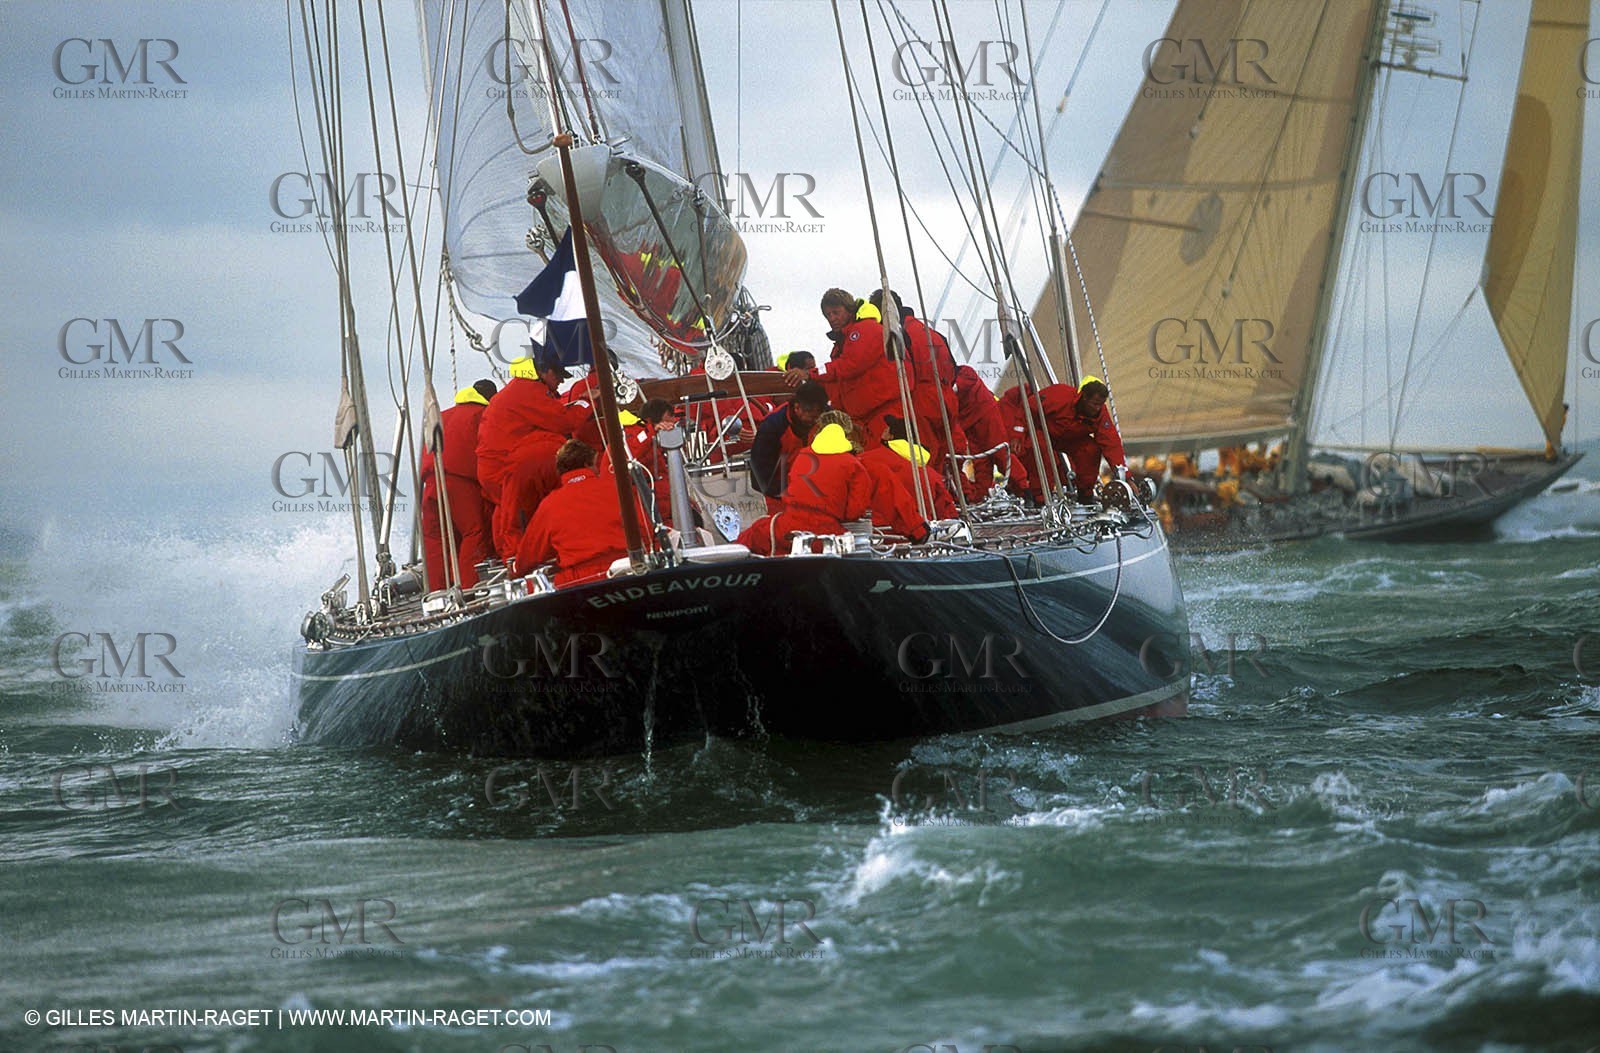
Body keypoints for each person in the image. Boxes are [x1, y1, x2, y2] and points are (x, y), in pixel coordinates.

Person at [477, 351, 587, 557]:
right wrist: (586, 402)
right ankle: (524, 561)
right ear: (544, 371)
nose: (561, 382)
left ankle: (517, 561)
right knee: (518, 520)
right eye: (559, 376)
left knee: (509, 519)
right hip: (507, 470)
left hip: (497, 471)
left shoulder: (518, 391)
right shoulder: (528, 391)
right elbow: (565, 421)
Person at [736, 418, 871, 555]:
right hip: (827, 531)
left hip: (789, 525)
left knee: (755, 533)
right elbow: (854, 511)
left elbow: (789, 489)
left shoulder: (803, 455)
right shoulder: (854, 465)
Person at [515, 440, 632, 586]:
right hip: (626, 571)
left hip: (579, 582)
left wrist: (516, 571)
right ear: (587, 464)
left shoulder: (549, 505)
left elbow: (530, 552)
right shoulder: (618, 489)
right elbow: (645, 531)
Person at [419, 380, 497, 590]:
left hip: (430, 482)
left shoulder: (443, 414)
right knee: (474, 531)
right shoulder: (483, 414)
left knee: (435, 538)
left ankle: (437, 593)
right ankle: (469, 589)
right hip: (460, 482)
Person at [813, 288, 899, 444]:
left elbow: (849, 365)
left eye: (836, 312)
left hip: (883, 413)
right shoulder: (843, 344)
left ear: (848, 310)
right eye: (828, 315)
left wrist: (811, 374)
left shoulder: (865, 329)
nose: (832, 318)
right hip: (864, 418)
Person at [1040, 375, 1128, 503]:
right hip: (1043, 434)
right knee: (1042, 452)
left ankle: (1085, 496)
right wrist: (1018, 433)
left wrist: (1126, 477)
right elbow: (1029, 408)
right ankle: (1038, 497)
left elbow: (1111, 443)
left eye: (1101, 404)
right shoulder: (1059, 396)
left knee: (1090, 450)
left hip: (1070, 440)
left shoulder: (1099, 412)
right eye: (1094, 404)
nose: (1097, 408)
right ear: (1084, 397)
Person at [749, 380, 829, 511]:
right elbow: (759, 476)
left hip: (819, 492)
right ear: (797, 408)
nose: (816, 420)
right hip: (781, 498)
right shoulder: (773, 426)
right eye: (812, 416)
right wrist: (789, 493)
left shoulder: (827, 418)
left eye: (819, 414)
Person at [861, 415, 959, 523]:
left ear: (890, 436)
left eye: (886, 430)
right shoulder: (930, 476)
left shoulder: (864, 461)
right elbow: (948, 514)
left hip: (876, 534)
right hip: (919, 535)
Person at [954, 365, 1028, 501]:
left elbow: (959, 385)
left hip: (984, 414)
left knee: (999, 452)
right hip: (967, 422)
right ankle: (980, 496)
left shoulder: (964, 373)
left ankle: (1024, 489)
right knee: (980, 460)